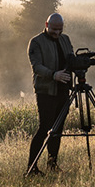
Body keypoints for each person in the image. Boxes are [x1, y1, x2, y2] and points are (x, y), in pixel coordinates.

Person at [26, 11, 74, 175]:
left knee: (58, 129)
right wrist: (54, 75)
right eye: (54, 29)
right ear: (47, 25)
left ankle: (52, 164)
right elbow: (37, 67)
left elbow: (71, 59)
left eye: (60, 29)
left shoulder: (65, 39)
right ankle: (32, 168)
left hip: (64, 91)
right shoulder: (36, 42)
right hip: (46, 91)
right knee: (45, 128)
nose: (57, 32)